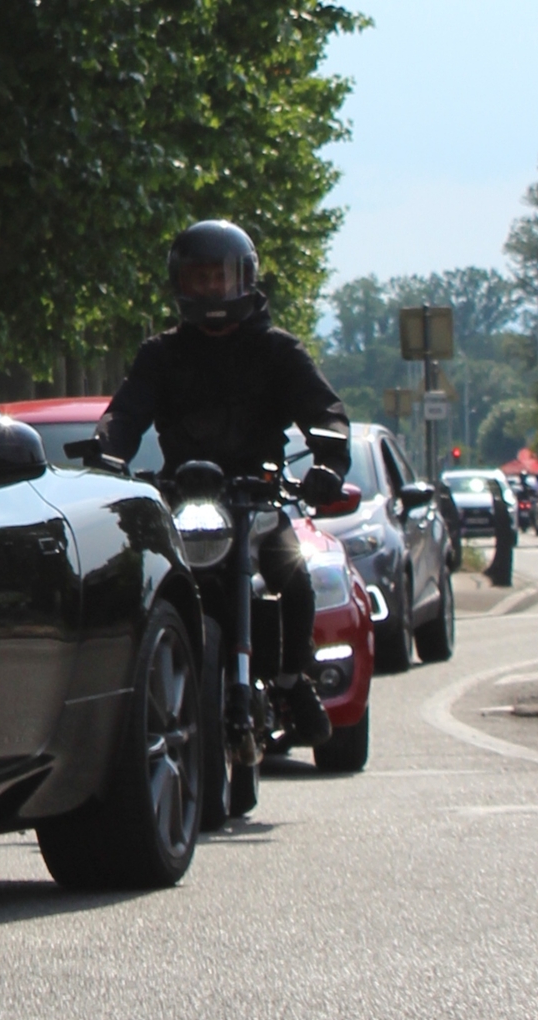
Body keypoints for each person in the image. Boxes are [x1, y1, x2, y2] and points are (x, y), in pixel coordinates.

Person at [99, 220, 351, 749]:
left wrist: (328, 462)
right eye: (201, 278)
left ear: (246, 280)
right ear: (181, 284)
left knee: (294, 572)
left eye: (222, 277)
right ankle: (141, 693)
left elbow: (324, 411)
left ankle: (292, 679)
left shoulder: (279, 351)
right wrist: (107, 453)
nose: (213, 289)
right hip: (185, 500)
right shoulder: (160, 355)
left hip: (255, 497)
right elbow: (124, 416)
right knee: (143, 585)